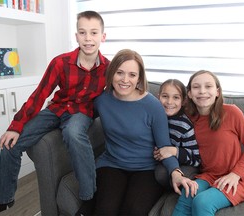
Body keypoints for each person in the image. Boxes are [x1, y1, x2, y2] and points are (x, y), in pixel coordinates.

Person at [0, 10, 109, 216]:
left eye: (94, 33)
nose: (88, 38)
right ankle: (3, 199)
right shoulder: (60, 63)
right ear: (76, 36)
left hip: (81, 113)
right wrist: (15, 126)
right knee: (9, 144)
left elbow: (114, 99)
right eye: (83, 32)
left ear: (102, 36)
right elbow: (40, 94)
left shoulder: (108, 69)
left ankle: (89, 197)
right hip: (56, 109)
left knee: (73, 133)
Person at [76, 49, 198, 216]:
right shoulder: (102, 100)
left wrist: (176, 172)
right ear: (111, 73)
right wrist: (57, 107)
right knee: (105, 210)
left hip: (146, 169)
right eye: (120, 73)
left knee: (133, 211)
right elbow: (78, 110)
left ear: (139, 78)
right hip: (112, 164)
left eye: (132, 75)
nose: (125, 80)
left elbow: (164, 146)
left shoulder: (153, 106)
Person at [172, 70, 244, 216]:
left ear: (217, 91)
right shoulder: (188, 118)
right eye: (196, 87)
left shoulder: (232, 113)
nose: (202, 91)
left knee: (202, 202)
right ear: (189, 94)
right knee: (187, 194)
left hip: (236, 179)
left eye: (208, 86)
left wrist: (236, 174)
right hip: (208, 176)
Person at [154, 79, 201, 190]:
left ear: (183, 101)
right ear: (158, 97)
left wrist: (173, 151)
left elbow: (196, 158)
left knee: (161, 173)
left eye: (176, 97)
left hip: (186, 165)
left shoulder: (184, 125)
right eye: (165, 96)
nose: (169, 102)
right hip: (162, 161)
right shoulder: (154, 116)